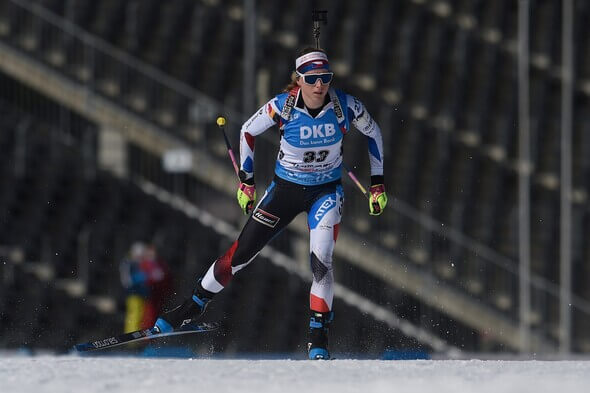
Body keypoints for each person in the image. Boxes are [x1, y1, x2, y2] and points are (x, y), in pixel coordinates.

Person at [153, 47, 388, 360]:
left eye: (326, 78)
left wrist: (377, 185)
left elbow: (374, 133)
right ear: (299, 80)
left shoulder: (345, 105)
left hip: (326, 193)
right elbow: (247, 131)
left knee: (322, 260)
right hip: (284, 191)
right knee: (240, 255)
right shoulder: (282, 106)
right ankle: (190, 307)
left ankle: (318, 338)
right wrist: (247, 182)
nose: (320, 85)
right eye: (313, 78)